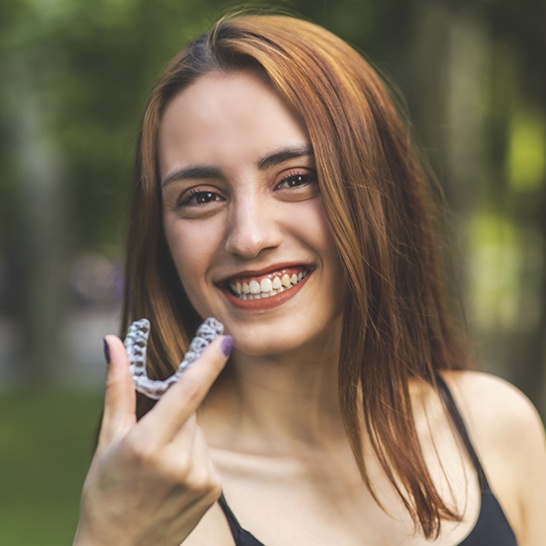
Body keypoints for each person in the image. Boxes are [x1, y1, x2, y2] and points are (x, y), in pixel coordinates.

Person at [73, 13, 546, 546]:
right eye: (201, 196)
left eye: (296, 179)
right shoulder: (165, 503)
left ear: (379, 192)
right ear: (160, 235)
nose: (248, 238)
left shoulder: (496, 426)